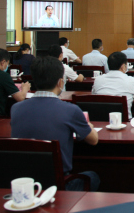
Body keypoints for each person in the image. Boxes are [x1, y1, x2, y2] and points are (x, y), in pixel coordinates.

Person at [10, 56, 100, 191]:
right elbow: (93, 140)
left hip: (25, 184)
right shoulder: (71, 110)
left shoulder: (16, 108)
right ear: (60, 82)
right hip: (58, 186)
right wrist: (89, 126)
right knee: (93, 177)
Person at [92, 52, 134, 119]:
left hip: (100, 120)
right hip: (123, 121)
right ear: (123, 66)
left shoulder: (98, 80)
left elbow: (94, 95)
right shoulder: (130, 80)